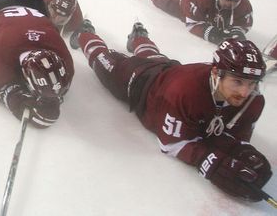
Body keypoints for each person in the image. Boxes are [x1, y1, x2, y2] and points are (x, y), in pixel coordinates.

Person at [69, 20, 271, 201]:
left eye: (252, 83)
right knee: (102, 59)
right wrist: (207, 160)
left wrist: (241, 151)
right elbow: (172, 143)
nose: (245, 92)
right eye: (238, 82)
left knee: (154, 56)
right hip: (140, 82)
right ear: (217, 73)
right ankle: (85, 33)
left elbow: (235, 135)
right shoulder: (184, 91)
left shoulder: (253, 99)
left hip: (170, 69)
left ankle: (139, 37)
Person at [0, 0, 74, 128]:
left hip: (35, 4)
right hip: (0, 4)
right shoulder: (0, 52)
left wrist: (52, 95)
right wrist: (12, 96)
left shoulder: (63, 57)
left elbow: (64, 80)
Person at [135, 0, 252, 44]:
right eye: (227, 0)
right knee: (160, 0)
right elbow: (192, 24)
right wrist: (214, 35)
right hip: (183, 5)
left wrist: (237, 32)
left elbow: (244, 24)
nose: (231, 4)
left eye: (235, 1)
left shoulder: (244, 5)